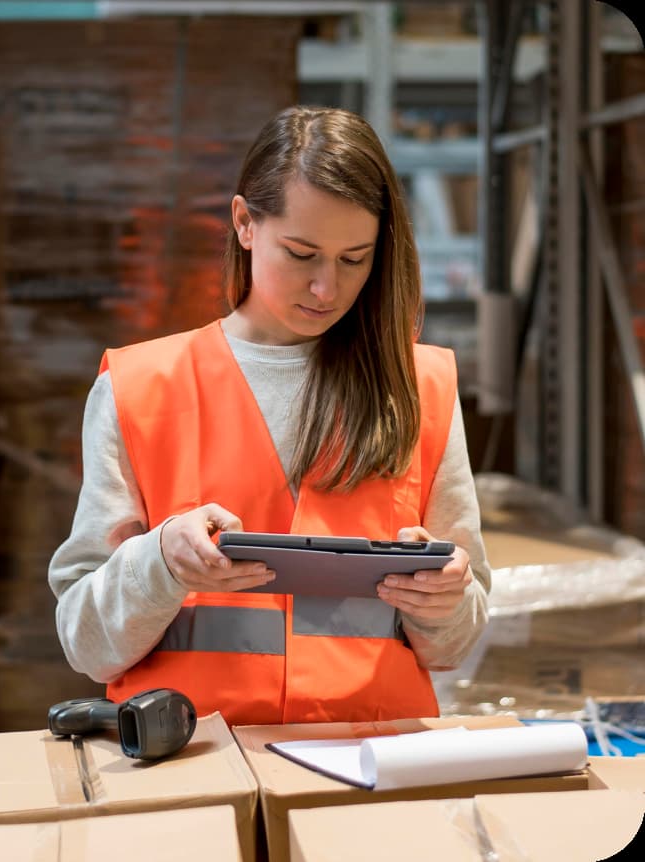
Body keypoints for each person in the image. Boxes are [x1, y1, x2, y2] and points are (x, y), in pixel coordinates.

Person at [49, 105, 490, 726]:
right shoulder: (140, 387)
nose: (326, 290)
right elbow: (86, 645)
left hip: (370, 778)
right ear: (244, 224)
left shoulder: (421, 388)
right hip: (193, 773)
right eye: (302, 254)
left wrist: (441, 601)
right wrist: (162, 566)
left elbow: (457, 644)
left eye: (354, 259)